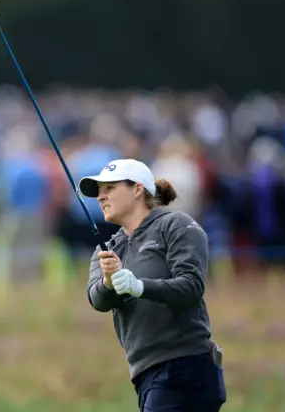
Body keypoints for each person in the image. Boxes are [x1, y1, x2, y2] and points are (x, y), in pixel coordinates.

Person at [81, 158, 226, 412]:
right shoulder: (107, 250)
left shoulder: (176, 225)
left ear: (138, 189)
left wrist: (139, 286)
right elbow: (97, 300)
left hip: (185, 365)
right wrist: (108, 282)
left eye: (110, 188)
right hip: (145, 373)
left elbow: (191, 285)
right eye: (99, 192)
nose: (100, 197)